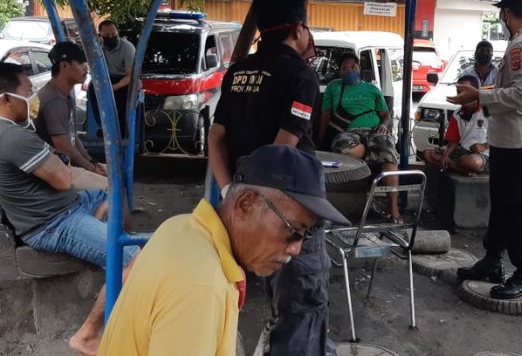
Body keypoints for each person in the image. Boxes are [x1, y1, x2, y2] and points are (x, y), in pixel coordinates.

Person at [99, 145, 349, 356]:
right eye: (293, 230)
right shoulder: (201, 285)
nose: (296, 249)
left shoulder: (180, 226)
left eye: (306, 236)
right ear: (246, 204)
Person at [208, 0, 331, 356]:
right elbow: (282, 151)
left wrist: (232, 190)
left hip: (246, 202)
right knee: (304, 295)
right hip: (289, 205)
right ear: (298, 27)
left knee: (277, 286)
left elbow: (215, 138)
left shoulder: (239, 71)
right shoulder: (300, 74)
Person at [0, 63, 138, 355]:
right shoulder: (12, 137)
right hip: (53, 223)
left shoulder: (12, 134)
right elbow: (63, 179)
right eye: (27, 91)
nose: (32, 97)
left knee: (113, 196)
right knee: (136, 258)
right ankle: (88, 334)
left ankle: (104, 236)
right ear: (6, 99)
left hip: (65, 208)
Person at [449, 0, 522, 300]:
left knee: (515, 206)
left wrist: (479, 94)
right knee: (502, 202)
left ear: (506, 13)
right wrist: (486, 92)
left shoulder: (520, 45)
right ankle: (493, 260)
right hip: (519, 135)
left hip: (517, 138)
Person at [318, 52, 402, 223]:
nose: (349, 70)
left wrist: (385, 125)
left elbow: (386, 114)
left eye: (353, 67)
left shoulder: (372, 89)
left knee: (388, 153)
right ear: (339, 71)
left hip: (374, 129)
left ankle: (394, 208)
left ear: (360, 68)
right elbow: (325, 115)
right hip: (349, 131)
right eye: (345, 68)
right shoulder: (334, 87)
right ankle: (373, 152)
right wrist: (319, 141)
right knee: (343, 148)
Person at [35, 42, 108, 191]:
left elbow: (72, 137)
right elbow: (63, 145)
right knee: (110, 186)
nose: (86, 67)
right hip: (52, 169)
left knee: (117, 172)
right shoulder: (54, 100)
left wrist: (91, 162)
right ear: (64, 65)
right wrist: (90, 168)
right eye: (80, 63)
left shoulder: (63, 93)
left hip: (61, 161)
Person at [422, 75, 489, 176]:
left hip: (483, 154)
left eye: (464, 91)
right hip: (462, 152)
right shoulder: (457, 113)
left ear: (474, 91)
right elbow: (454, 140)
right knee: (427, 154)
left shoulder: (488, 110)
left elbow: (505, 134)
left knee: (472, 162)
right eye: (458, 92)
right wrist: (446, 155)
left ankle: (456, 166)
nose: (460, 95)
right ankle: (459, 168)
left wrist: (484, 146)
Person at [88, 19, 136, 135]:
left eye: (113, 34)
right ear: (101, 35)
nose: (111, 37)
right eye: (107, 35)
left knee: (126, 95)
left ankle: (122, 129)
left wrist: (116, 86)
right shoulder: (97, 47)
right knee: (93, 88)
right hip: (105, 78)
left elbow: (131, 75)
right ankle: (103, 125)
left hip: (123, 79)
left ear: (117, 32)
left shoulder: (127, 47)